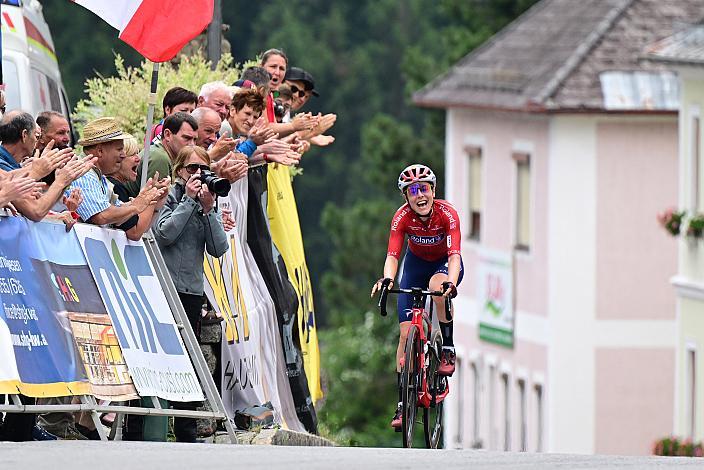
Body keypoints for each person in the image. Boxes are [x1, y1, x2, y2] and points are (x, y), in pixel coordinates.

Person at [370, 164, 463, 430]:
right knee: (405, 333)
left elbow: (455, 255)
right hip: (414, 267)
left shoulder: (448, 215)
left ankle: (447, 348)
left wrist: (451, 283)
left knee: (438, 287)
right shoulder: (402, 218)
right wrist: (387, 278)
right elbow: (392, 255)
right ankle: (402, 403)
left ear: (433, 191)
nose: (419, 195)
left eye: (424, 189)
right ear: (406, 196)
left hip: (444, 266)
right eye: (413, 191)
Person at [152, 145, 228, 443]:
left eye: (203, 169)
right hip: (165, 286)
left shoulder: (208, 200)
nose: (198, 175)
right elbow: (164, 234)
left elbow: (218, 249)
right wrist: (187, 200)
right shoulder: (171, 195)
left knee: (191, 360)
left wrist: (208, 210)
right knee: (160, 357)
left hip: (192, 291)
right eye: (191, 169)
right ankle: (148, 425)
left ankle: (186, 431)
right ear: (179, 172)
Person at [67, 117, 163, 240]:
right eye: (119, 149)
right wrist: (136, 206)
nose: (123, 155)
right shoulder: (83, 174)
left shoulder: (98, 177)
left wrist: (142, 201)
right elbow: (101, 216)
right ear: (100, 151)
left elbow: (117, 213)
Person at [125, 112, 198, 197]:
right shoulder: (160, 158)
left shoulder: (161, 153)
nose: (192, 144)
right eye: (186, 138)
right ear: (167, 135)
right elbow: (157, 204)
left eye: (195, 139)